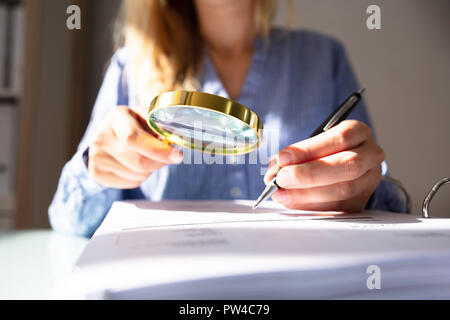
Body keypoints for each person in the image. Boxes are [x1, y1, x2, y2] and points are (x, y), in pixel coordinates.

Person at [49, 0, 407, 238]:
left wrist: (363, 187)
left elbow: (381, 203)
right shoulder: (131, 67)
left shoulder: (324, 58)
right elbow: (68, 222)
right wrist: (96, 169)